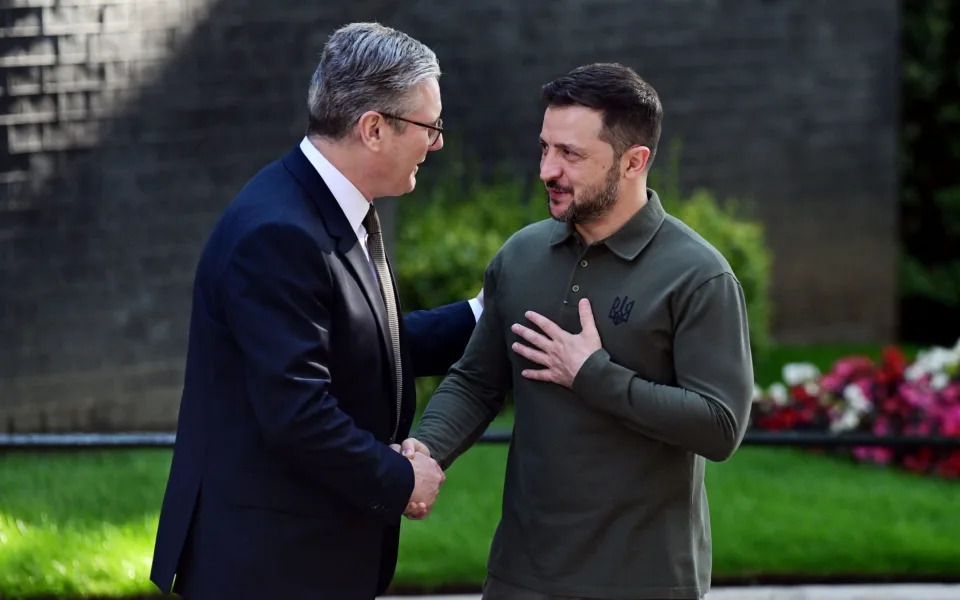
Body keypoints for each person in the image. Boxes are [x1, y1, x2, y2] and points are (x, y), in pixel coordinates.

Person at [150, 22, 483, 600]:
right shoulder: (279, 233)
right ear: (374, 128)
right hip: (269, 565)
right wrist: (403, 480)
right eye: (431, 127)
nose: (438, 144)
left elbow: (362, 346)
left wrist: (485, 315)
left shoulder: (316, 203)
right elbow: (298, 412)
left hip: (300, 556)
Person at [402, 63, 754, 600]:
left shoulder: (699, 276)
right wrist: (426, 452)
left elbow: (720, 425)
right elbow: (476, 382)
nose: (547, 169)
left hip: (644, 580)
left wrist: (593, 374)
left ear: (635, 162)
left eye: (571, 154)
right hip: (520, 574)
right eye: (545, 148)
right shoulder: (520, 257)